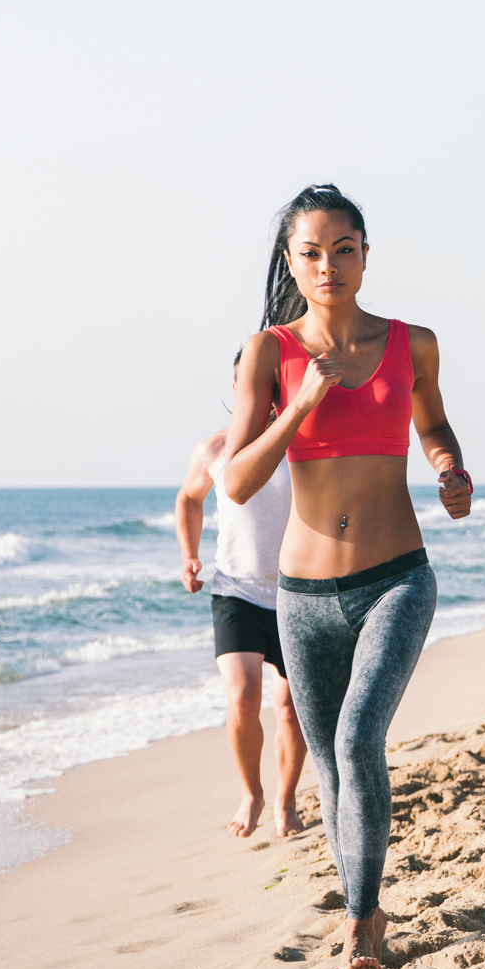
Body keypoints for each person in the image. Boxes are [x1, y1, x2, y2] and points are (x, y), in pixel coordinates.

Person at [223, 184, 473, 969]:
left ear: (366, 254)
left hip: (396, 577)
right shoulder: (268, 353)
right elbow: (234, 480)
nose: (328, 264)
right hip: (302, 597)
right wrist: (300, 403)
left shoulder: (413, 343)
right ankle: (359, 894)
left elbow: (431, 422)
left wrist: (448, 466)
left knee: (358, 740)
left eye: (343, 248)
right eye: (311, 251)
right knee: (328, 765)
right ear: (291, 262)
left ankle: (362, 923)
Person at [175, 353, 306, 837]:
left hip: (298, 595)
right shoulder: (213, 450)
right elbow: (189, 498)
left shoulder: (303, 443)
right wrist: (189, 554)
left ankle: (287, 799)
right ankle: (252, 792)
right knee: (244, 696)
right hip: (237, 591)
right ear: (237, 387)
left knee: (292, 708)